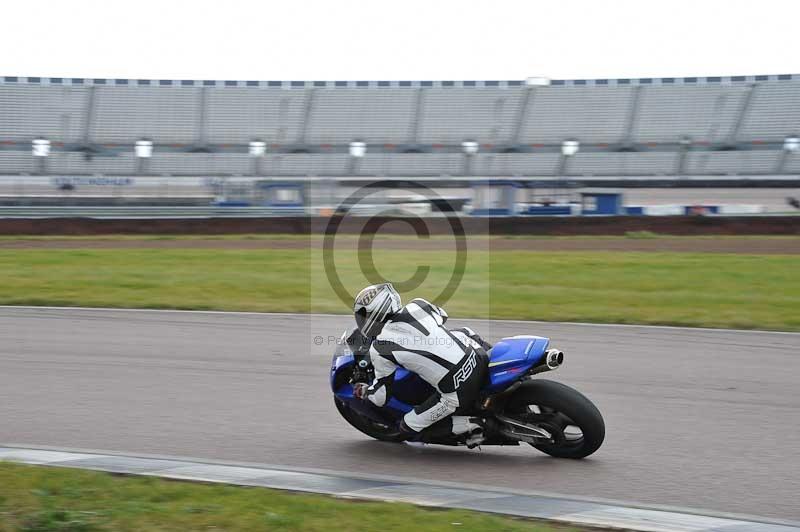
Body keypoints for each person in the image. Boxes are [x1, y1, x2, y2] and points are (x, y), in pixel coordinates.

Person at [351, 282, 491, 446]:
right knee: (461, 332)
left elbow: (381, 397)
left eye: (363, 316)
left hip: (459, 389)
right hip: (478, 356)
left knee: (408, 427)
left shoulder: (380, 348)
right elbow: (442, 316)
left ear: (375, 313)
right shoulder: (418, 304)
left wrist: (363, 391)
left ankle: (478, 424)